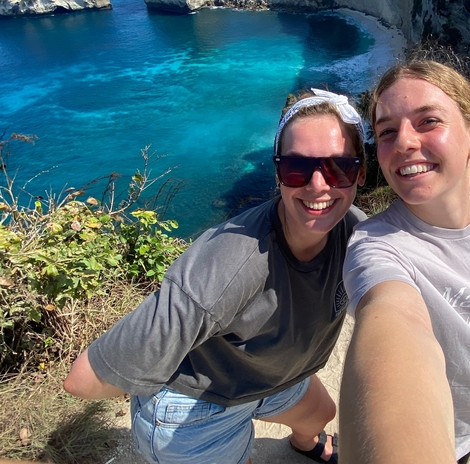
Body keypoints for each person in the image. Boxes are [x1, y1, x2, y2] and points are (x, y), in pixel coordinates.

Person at [64, 89, 368, 464]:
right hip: (195, 407)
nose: (319, 184)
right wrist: (150, 396)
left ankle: (304, 443)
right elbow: (84, 379)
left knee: (321, 414)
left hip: (265, 379)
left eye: (339, 167)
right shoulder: (228, 265)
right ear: (278, 175)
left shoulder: (356, 233)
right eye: (297, 168)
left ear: (361, 173)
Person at [339, 61, 470, 464]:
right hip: (452, 431)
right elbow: (392, 322)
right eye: (385, 131)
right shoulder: (377, 246)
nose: (402, 142)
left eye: (427, 121)